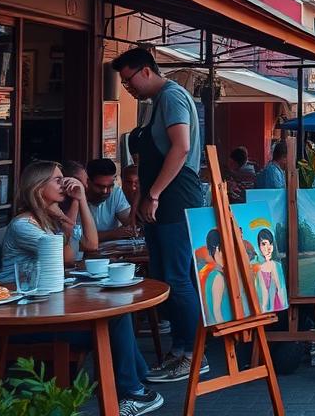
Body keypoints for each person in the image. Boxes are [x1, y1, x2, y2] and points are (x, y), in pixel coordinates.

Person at [0, 161, 162, 415]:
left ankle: (134, 384)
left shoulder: (46, 221)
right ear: (38, 188)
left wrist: (81, 199)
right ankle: (132, 390)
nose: (64, 184)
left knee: (118, 311)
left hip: (43, 308)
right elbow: (67, 257)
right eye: (57, 180)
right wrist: (66, 214)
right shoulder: (24, 226)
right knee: (114, 318)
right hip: (20, 317)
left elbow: (90, 243)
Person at [111, 47, 206, 383]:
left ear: (146, 71)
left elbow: (180, 148)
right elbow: (150, 161)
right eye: (124, 83)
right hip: (160, 199)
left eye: (129, 80)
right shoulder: (154, 104)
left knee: (178, 278)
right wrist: (139, 199)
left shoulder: (172, 97)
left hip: (176, 198)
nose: (128, 88)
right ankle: (178, 351)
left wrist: (153, 194)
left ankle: (192, 354)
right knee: (165, 276)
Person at [85, 158, 135, 242]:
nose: (105, 191)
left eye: (110, 186)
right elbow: (79, 238)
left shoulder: (115, 192)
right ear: (88, 182)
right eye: (100, 186)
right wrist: (114, 234)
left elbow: (130, 225)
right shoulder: (77, 195)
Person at [254, 228, 287, 312]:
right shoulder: (257, 266)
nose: (268, 248)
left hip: (275, 307)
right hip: (261, 308)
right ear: (259, 246)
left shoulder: (275, 265)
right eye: (264, 244)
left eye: (270, 244)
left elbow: (281, 289)